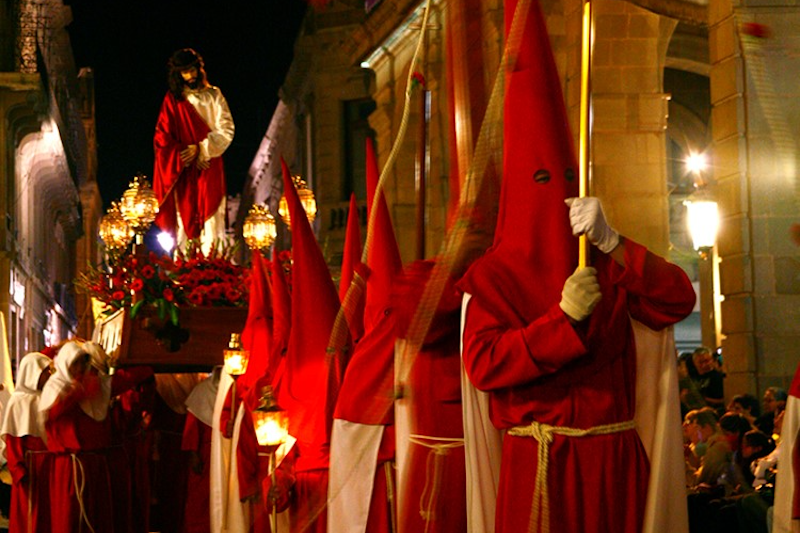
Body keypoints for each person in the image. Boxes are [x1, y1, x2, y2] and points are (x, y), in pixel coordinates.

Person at [153, 48, 234, 253]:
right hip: (184, 169)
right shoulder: (173, 101)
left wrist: (202, 149)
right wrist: (183, 153)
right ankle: (184, 271)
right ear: (177, 74)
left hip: (209, 165)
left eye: (192, 70)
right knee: (184, 220)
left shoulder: (214, 96)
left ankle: (214, 271)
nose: (189, 76)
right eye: (184, 72)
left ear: (199, 69)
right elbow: (162, 138)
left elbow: (226, 129)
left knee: (212, 220)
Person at [0, 351, 53, 533]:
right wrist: (18, 468)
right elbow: (13, 439)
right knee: (29, 514)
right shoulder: (19, 401)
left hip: (50, 465)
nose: (49, 375)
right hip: (30, 466)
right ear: (33, 373)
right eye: (45, 371)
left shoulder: (49, 398)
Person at [690, 347, 725, 413]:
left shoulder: (719, 377)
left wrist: (703, 399)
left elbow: (724, 399)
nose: (704, 365)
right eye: (700, 362)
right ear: (694, 363)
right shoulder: (692, 378)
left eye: (706, 361)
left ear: (712, 360)